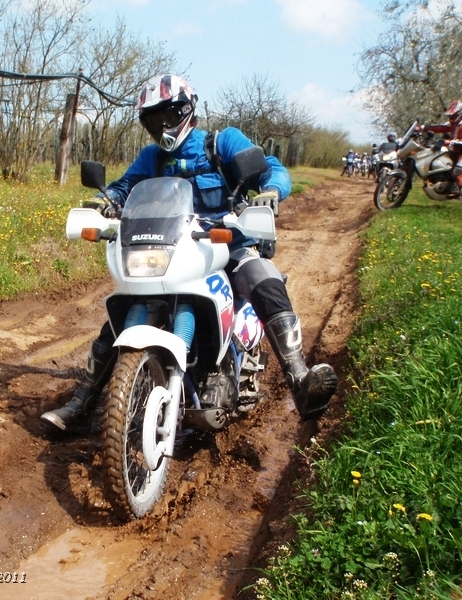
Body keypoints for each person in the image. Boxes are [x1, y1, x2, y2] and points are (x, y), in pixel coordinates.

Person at [41, 74, 338, 432]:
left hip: (228, 247)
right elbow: (125, 186)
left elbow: (271, 168)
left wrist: (271, 191)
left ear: (186, 110)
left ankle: (300, 379)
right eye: (152, 120)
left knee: (264, 279)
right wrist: (106, 201)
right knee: (126, 308)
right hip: (175, 251)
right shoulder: (153, 157)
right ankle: (82, 403)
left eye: (167, 116)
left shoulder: (221, 143)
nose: (161, 126)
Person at [423, 100, 462, 207]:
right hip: (457, 151)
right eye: (451, 115)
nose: (451, 117)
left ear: (461, 113)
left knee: (457, 172)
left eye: (454, 115)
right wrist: (424, 128)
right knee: (443, 164)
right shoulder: (455, 123)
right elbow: (441, 127)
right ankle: (451, 188)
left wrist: (448, 142)